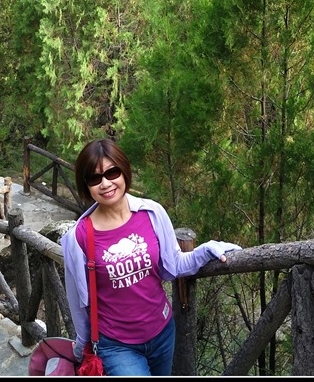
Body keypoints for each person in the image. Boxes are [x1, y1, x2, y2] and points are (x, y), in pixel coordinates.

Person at [61, 138, 241, 376]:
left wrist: (206, 250)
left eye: (112, 173)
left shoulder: (151, 213)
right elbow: (78, 302)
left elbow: (174, 264)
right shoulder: (79, 237)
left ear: (124, 171)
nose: (105, 184)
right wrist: (81, 347)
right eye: (94, 178)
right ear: (86, 185)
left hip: (162, 332)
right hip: (116, 345)